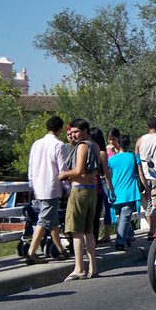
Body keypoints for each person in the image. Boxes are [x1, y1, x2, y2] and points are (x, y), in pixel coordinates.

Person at [59, 119, 101, 280]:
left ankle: (79, 268)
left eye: (76, 132)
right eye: (72, 132)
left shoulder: (83, 146)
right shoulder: (95, 146)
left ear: (85, 131)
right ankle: (93, 267)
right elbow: (95, 171)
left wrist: (64, 175)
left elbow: (79, 171)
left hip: (79, 190)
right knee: (88, 231)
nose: (73, 135)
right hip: (91, 191)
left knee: (76, 231)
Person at [24, 115, 70, 264]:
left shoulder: (36, 144)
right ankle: (31, 253)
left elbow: (31, 167)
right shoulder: (59, 145)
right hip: (51, 187)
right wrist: (67, 188)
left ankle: (61, 250)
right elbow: (62, 169)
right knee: (44, 220)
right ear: (60, 129)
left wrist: (32, 183)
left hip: (38, 186)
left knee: (52, 220)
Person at [107, 134, 142, 250]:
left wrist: (109, 191)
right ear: (128, 144)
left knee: (123, 217)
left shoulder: (111, 160)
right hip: (129, 192)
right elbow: (141, 174)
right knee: (125, 216)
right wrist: (146, 188)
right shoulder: (134, 157)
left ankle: (129, 236)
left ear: (117, 144)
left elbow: (108, 176)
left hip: (116, 191)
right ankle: (120, 241)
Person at [89, 127, 113, 245]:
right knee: (104, 210)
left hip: (90, 184)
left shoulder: (86, 149)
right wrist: (111, 189)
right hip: (100, 183)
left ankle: (91, 240)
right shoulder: (102, 153)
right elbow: (106, 173)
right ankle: (102, 236)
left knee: (93, 214)